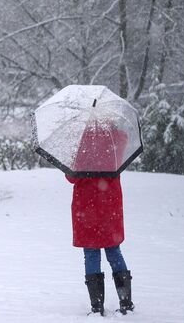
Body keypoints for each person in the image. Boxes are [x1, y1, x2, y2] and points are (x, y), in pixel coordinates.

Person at [67, 119, 134, 315]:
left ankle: (97, 306)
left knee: (91, 252)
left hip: (87, 207)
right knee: (113, 250)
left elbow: (72, 176)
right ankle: (125, 303)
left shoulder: (86, 140)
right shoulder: (117, 139)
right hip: (110, 204)